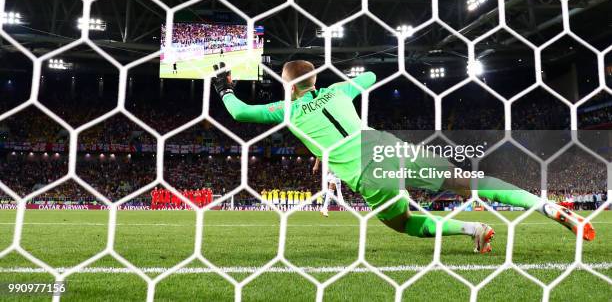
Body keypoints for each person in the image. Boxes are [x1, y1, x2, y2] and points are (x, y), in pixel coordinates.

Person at [212, 60, 595, 253]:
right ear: (315, 80)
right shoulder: (341, 91)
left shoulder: (287, 110)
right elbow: (370, 79)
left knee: (404, 224)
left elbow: (241, 113)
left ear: (286, 83)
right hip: (387, 145)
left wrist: (223, 88)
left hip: (366, 170)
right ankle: (545, 206)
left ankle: (469, 229)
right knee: (472, 182)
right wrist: (348, 80)